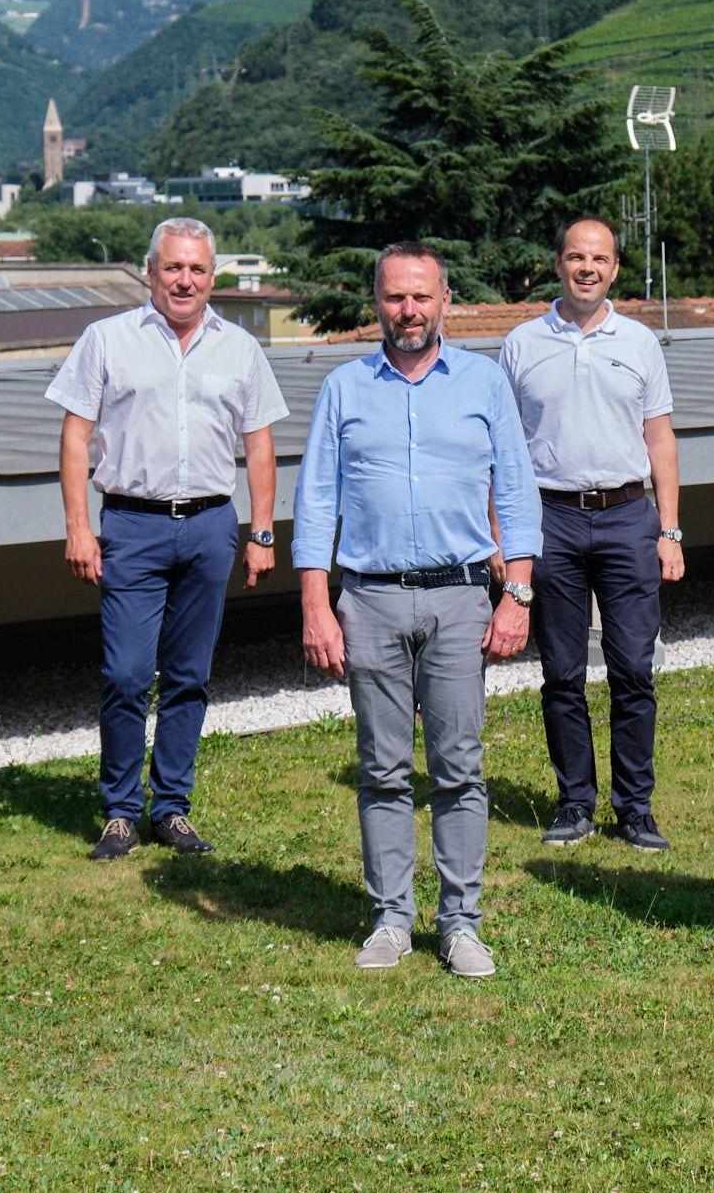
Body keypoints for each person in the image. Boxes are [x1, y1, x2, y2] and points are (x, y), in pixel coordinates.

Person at [294, 242, 539, 979]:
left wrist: (517, 594)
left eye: (421, 297)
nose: (409, 310)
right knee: (383, 768)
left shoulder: (483, 382)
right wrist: (316, 603)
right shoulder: (343, 389)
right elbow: (316, 501)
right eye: (396, 297)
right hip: (368, 599)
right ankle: (391, 918)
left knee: (460, 767)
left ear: (445, 301)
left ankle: (461, 921)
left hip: (463, 597)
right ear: (377, 302)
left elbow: (518, 493)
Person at [47, 217, 288, 860]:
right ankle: (121, 811)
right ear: (150, 271)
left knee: (189, 675)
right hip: (132, 524)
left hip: (211, 525)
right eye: (173, 268)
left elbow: (259, 443)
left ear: (213, 278)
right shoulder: (105, 340)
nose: (185, 280)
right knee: (126, 674)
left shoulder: (239, 349)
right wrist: (78, 527)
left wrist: (261, 532)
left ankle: (172, 808)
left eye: (197, 270)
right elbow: (75, 437)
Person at [499, 216, 683, 852]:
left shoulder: (639, 343)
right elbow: (503, 448)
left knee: (634, 667)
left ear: (613, 270)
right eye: (576, 257)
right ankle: (575, 801)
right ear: (558, 265)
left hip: (630, 517)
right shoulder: (521, 344)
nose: (587, 268)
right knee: (562, 672)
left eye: (598, 259)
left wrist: (670, 529)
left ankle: (635, 808)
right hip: (552, 521)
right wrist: (504, 533)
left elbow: (659, 439)